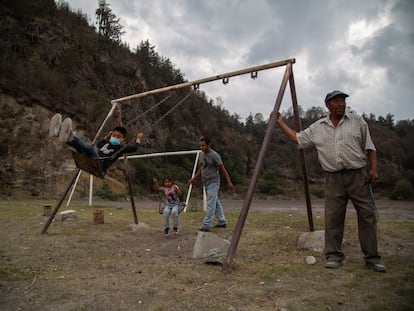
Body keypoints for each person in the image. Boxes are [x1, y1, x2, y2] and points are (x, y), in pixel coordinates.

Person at [274, 90, 385, 272]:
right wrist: (279, 122)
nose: (341, 104)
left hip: (357, 175)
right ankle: (333, 255)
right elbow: (298, 139)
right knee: (333, 217)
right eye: (337, 101)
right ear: (328, 105)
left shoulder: (357, 121)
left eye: (343, 101)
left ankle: (372, 258)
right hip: (333, 177)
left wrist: (373, 169)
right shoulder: (318, 127)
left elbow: (369, 146)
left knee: (367, 215)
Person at [49, 113, 144, 172]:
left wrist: (138, 139)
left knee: (89, 148)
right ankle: (59, 133)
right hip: (95, 160)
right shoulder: (106, 143)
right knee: (81, 149)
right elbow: (99, 145)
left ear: (123, 139)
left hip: (100, 166)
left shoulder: (121, 148)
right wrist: (106, 138)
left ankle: (70, 136)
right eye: (114, 135)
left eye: (118, 137)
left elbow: (134, 148)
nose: (115, 137)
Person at [187, 137, 234, 232]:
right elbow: (202, 168)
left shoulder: (214, 155)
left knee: (210, 204)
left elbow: (222, 169)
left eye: (203, 145)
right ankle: (222, 221)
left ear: (208, 145)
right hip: (206, 182)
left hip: (214, 182)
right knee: (215, 202)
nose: (201, 147)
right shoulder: (201, 155)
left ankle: (206, 224)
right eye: (200, 145)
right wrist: (194, 178)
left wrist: (229, 181)